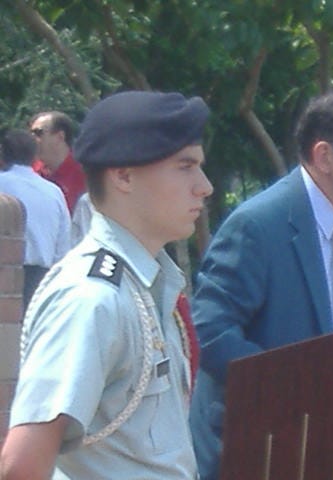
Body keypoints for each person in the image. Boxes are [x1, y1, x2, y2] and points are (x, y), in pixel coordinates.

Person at [0, 91, 213, 479]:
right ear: (124, 175)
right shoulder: (91, 297)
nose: (204, 186)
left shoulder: (145, 285)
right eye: (185, 167)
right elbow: (21, 467)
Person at [189, 89, 333, 479]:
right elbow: (211, 333)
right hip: (254, 443)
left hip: (326, 446)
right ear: (324, 155)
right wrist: (297, 390)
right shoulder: (258, 224)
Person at [0, 129, 71, 309]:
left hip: (5, 274)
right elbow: (63, 244)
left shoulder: (2, 184)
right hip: (43, 280)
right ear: (34, 156)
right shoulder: (54, 192)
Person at [30, 110, 86, 213]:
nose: (32, 139)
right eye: (31, 134)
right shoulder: (30, 171)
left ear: (60, 136)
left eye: (38, 133)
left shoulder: (85, 175)